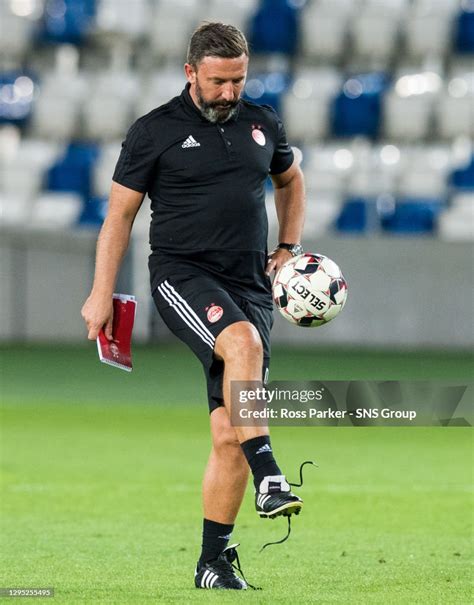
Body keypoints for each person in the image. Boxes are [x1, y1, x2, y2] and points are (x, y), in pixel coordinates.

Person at [81, 22, 306, 590]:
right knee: (243, 344)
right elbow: (119, 218)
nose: (229, 92)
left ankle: (214, 561)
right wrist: (100, 292)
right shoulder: (153, 131)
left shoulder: (263, 122)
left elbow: (291, 181)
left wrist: (287, 247)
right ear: (190, 74)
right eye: (217, 82)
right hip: (183, 275)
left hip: (251, 285)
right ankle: (271, 474)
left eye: (238, 80)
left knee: (229, 430)